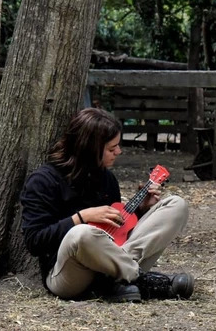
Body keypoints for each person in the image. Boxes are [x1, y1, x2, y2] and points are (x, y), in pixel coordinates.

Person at [20, 108, 193, 302]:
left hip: (111, 260)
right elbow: (35, 242)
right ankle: (141, 279)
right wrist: (81, 218)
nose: (118, 152)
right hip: (68, 273)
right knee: (81, 233)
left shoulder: (106, 179)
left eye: (118, 146)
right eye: (112, 148)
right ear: (89, 148)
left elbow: (117, 234)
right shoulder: (43, 181)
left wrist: (142, 209)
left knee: (176, 205)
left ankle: (121, 281)